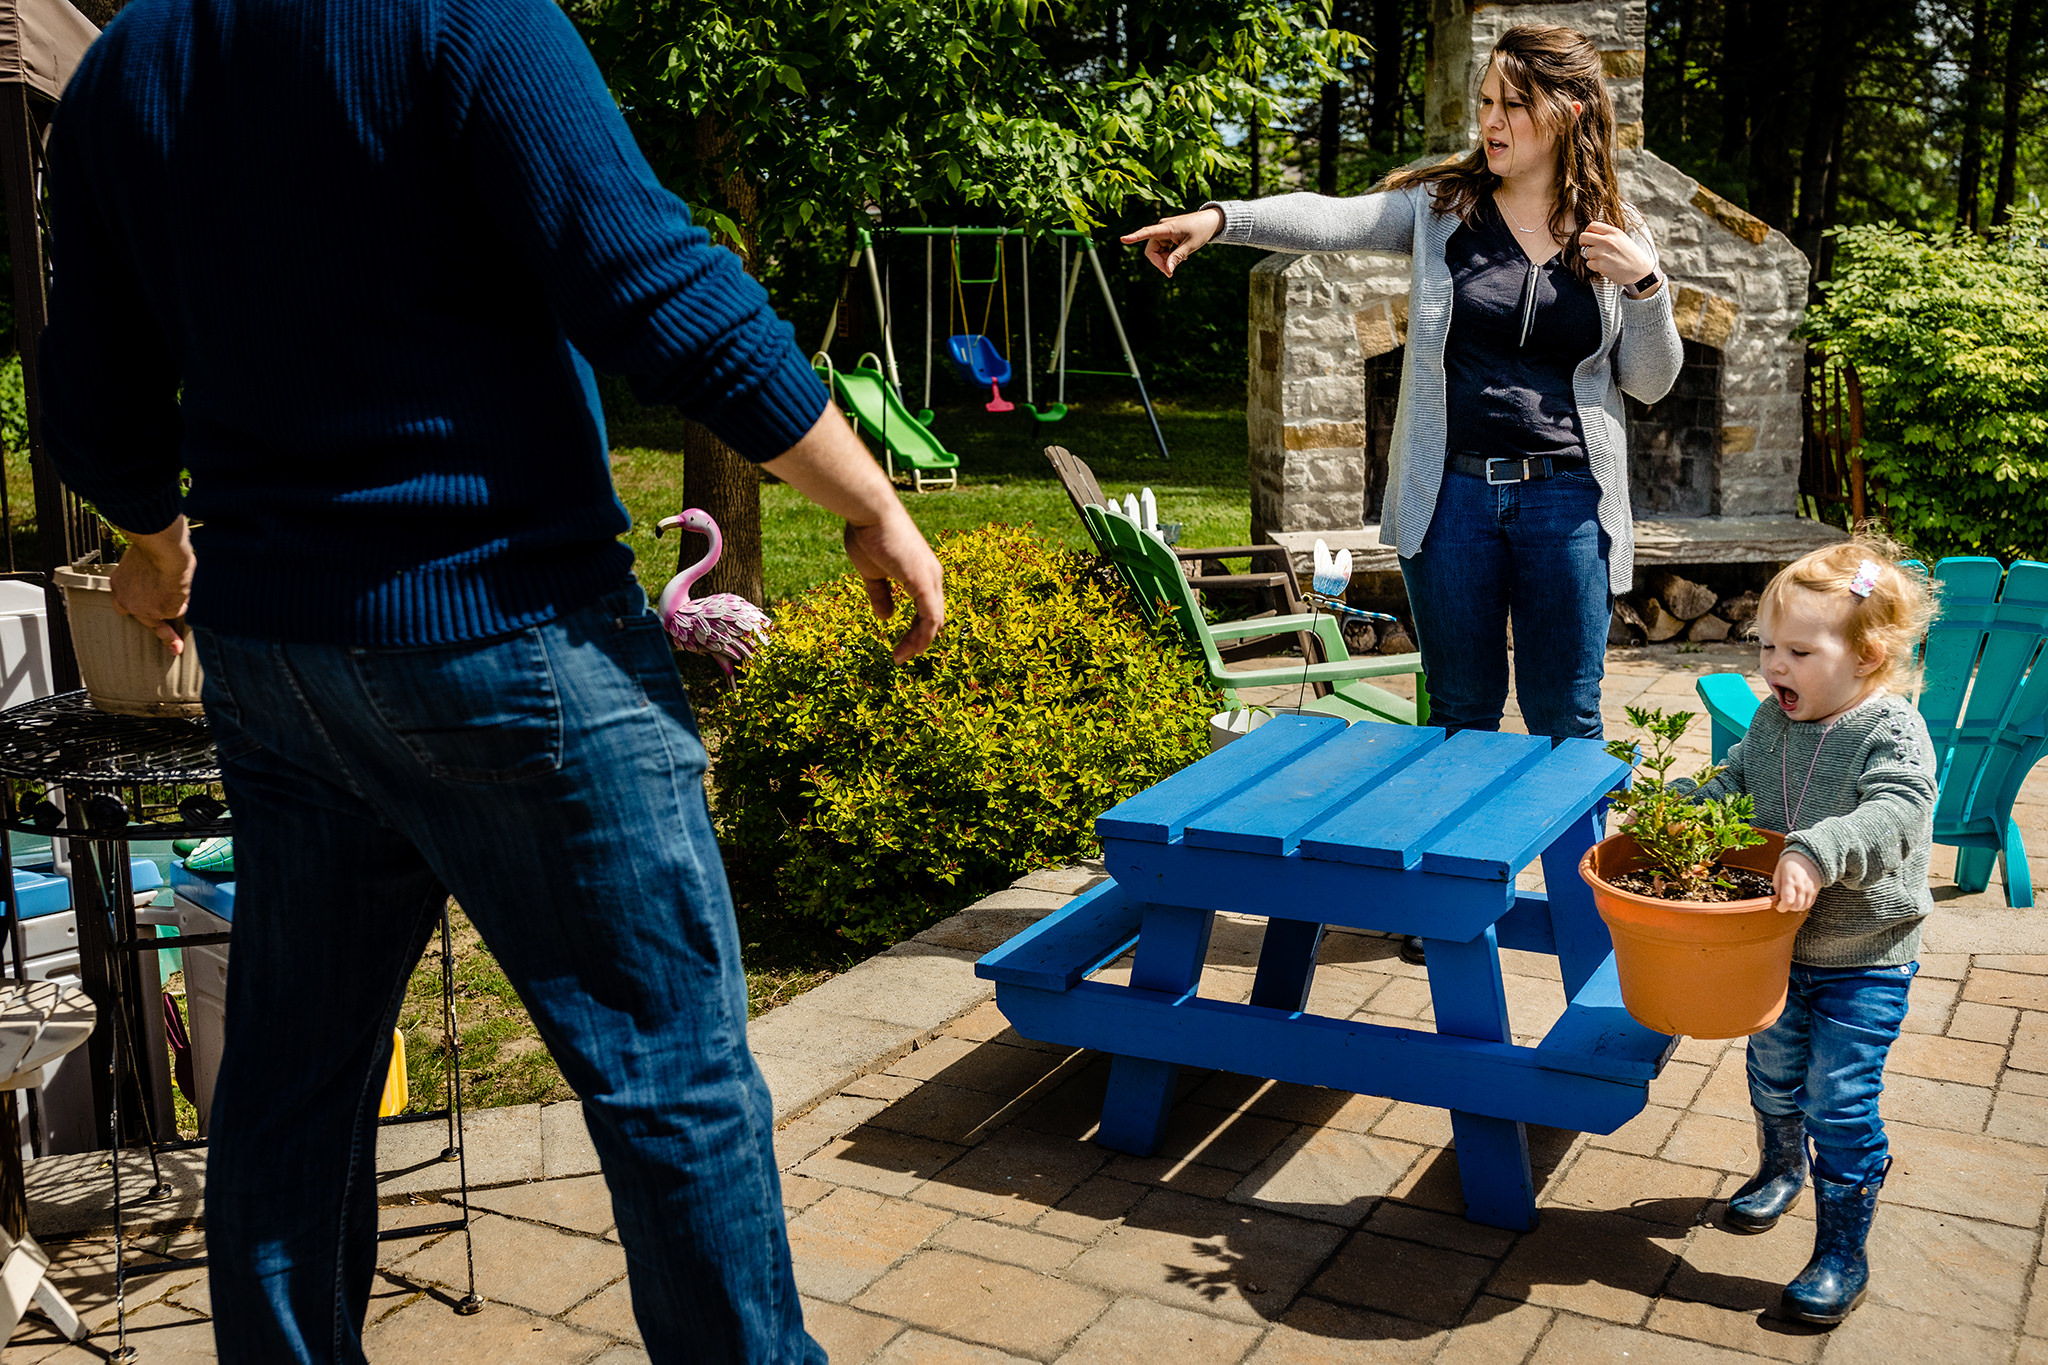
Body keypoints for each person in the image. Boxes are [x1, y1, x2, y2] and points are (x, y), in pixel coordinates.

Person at [36, 1, 943, 1362]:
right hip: (508, 639)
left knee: (289, 1095)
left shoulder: (126, 67)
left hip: (279, 665)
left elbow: (91, 393)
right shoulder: (463, 15)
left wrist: (157, 539)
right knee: (670, 1082)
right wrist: (866, 495)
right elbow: (648, 279)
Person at [1123, 24, 1682, 747]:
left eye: (1513, 104)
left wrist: (1645, 284)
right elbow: (1333, 218)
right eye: (1485, 101)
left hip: (1570, 501)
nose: (1490, 120)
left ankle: (1581, 866)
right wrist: (1220, 220)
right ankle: (1472, 866)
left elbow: (1650, 382)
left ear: (1567, 110)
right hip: (1452, 502)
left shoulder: (1617, 229)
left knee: (1567, 721)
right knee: (1459, 714)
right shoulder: (1444, 209)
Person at [1682, 537, 1938, 1326]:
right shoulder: (1769, 722)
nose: (1773, 665)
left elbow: (1893, 812)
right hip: (1777, 948)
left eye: (1797, 649)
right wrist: (1695, 802)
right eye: (1765, 646)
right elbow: (1739, 777)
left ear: (1866, 655)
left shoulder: (1891, 732)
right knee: (1773, 1066)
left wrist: (1816, 850)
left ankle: (1841, 1248)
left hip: (1865, 955)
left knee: (1841, 1095)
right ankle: (1781, 1167)